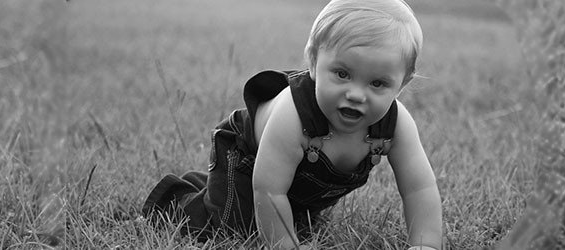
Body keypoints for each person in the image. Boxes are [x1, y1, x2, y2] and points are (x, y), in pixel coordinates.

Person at [142, 0, 443, 249]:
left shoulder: (395, 124)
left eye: (377, 83)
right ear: (313, 62)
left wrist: (425, 244)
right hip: (247, 156)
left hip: (293, 181)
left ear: (402, 84)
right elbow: (270, 190)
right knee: (233, 227)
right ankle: (176, 199)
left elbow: (419, 187)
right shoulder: (294, 115)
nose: (355, 94)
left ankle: (213, 188)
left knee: (299, 220)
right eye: (341, 74)